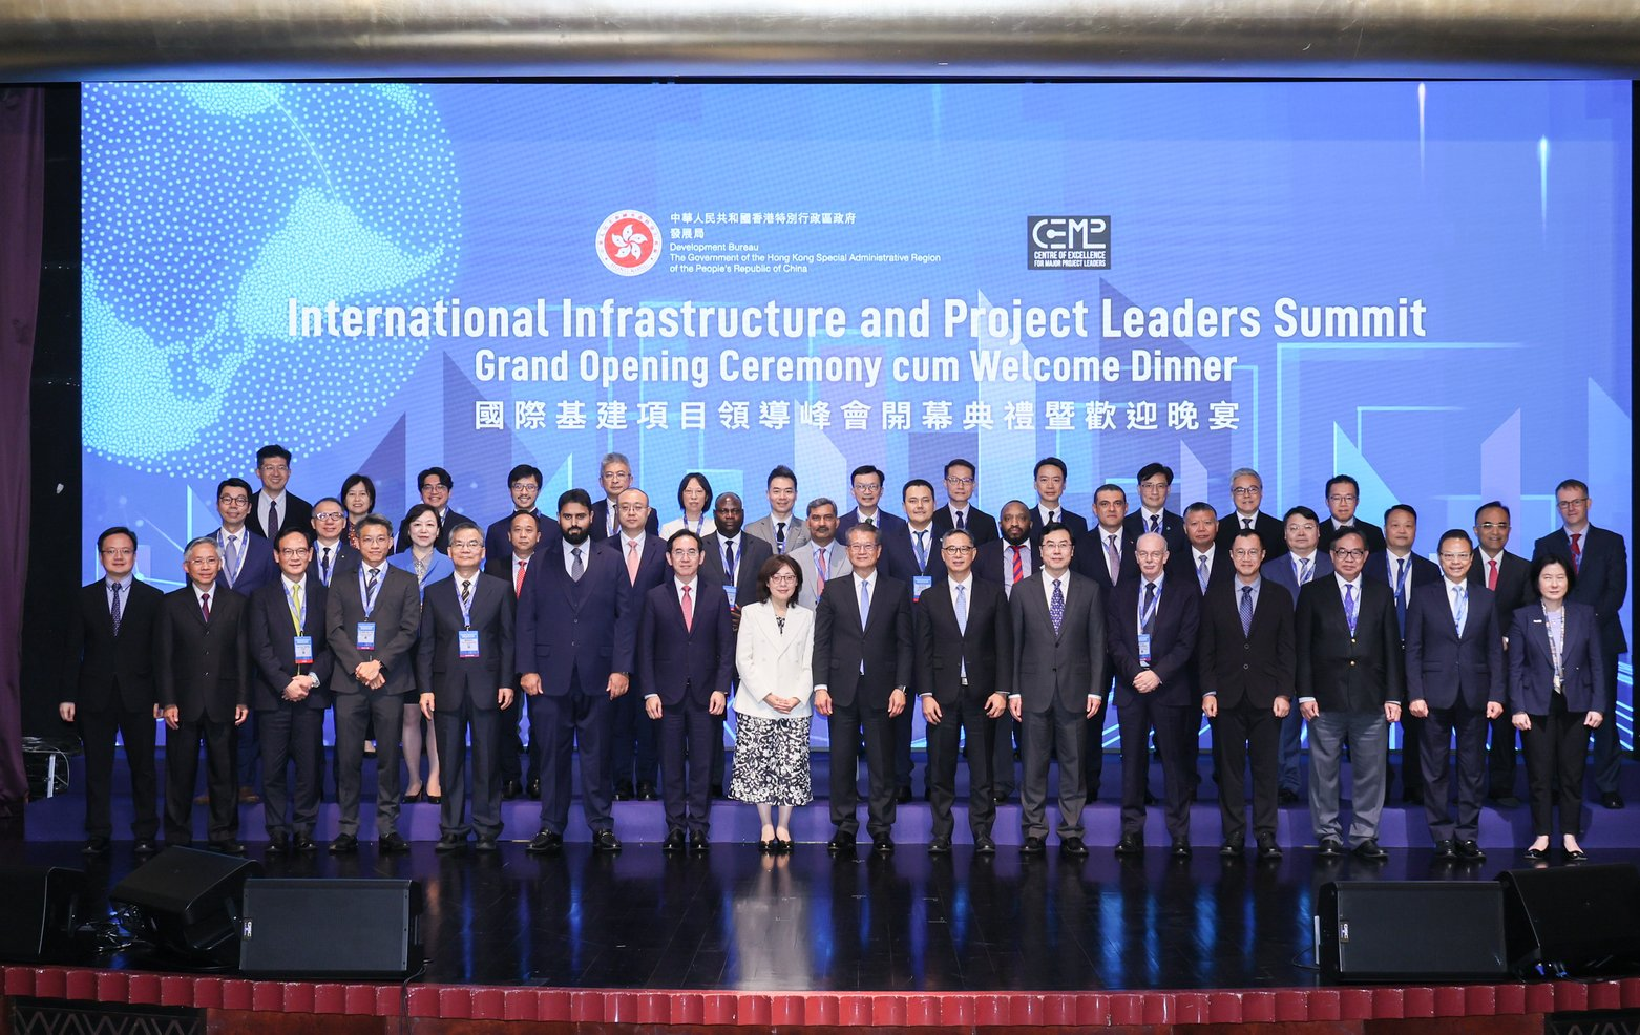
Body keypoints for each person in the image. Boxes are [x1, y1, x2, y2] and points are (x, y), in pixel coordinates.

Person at [518, 489, 638, 854]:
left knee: (598, 756)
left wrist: (621, 669)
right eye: (568, 517)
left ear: (591, 518)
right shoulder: (541, 559)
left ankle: (601, 826)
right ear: (558, 518)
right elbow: (526, 619)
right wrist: (527, 669)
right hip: (548, 677)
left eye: (580, 517)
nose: (574, 523)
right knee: (551, 756)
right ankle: (551, 826)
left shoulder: (612, 559)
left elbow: (625, 619)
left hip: (600, 676)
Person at [1296, 529, 1403, 861]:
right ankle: (1328, 834)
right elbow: (1302, 648)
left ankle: (1364, 835)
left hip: (1371, 697)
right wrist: (1305, 693)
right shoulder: (1312, 592)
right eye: (1342, 552)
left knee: (1371, 772)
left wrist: (1394, 695)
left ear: (1366, 556)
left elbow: (1391, 647)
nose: (1349, 559)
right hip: (1324, 698)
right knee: (1323, 772)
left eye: (1356, 553)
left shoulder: (1382, 593)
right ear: (1331, 555)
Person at [62, 526, 164, 856]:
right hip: (94, 696)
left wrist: (162, 696)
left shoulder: (154, 598)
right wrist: (68, 695)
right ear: (101, 555)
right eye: (111, 551)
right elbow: (72, 650)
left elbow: (160, 652)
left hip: (140, 696)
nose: (118, 557)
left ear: (135, 555)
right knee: (97, 768)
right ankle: (97, 832)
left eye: (125, 551)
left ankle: (145, 833)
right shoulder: (84, 597)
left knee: (143, 769)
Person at [813, 523, 914, 855]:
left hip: (883, 690)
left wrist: (901, 687)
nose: (861, 551)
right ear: (847, 551)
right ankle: (844, 826)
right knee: (842, 761)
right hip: (840, 689)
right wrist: (820, 686)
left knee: (882, 763)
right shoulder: (833, 588)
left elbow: (905, 643)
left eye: (867, 546)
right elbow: (822, 642)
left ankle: (881, 827)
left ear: (878, 551)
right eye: (855, 546)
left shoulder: (897, 589)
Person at [325, 513, 422, 854]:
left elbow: (409, 630)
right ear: (356, 542)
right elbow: (333, 630)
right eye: (368, 539)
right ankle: (347, 828)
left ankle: (388, 827)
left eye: (381, 539)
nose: (375, 545)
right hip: (349, 681)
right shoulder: (339, 581)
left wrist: (378, 664)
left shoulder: (406, 581)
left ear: (391, 541)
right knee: (348, 757)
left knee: (388, 758)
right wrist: (360, 667)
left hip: (389, 680)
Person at [1405, 529, 1504, 862]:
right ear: (1439, 558)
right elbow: (1413, 649)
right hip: (1433, 695)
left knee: (1472, 769)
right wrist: (1415, 693)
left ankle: (1467, 835)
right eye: (1449, 555)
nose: (1456, 561)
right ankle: (1442, 836)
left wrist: (1496, 694)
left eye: (1462, 555)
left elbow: (1494, 650)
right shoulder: (1423, 596)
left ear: (1471, 559)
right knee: (1434, 768)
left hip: (1475, 693)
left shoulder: (1486, 597)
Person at [416, 522, 514, 853]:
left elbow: (508, 640)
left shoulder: (500, 589)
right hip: (446, 687)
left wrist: (506, 682)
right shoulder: (434, 592)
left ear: (483, 552)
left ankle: (487, 827)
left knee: (487, 761)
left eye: (473, 544)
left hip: (489, 686)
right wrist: (425, 688)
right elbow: (427, 644)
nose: (466, 550)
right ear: (449, 551)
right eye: (460, 544)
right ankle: (452, 828)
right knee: (450, 761)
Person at [1009, 522, 1105, 857]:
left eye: (1063, 545)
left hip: (1075, 691)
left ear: (1072, 551)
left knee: (1074, 765)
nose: (1057, 551)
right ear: (1040, 550)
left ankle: (1072, 831)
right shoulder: (1022, 590)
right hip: (1033, 691)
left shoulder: (1089, 589)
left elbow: (1097, 643)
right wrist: (1014, 691)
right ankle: (1034, 830)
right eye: (1051, 545)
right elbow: (1014, 645)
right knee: (1033, 766)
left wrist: (1096, 690)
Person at [1532, 479, 1628, 810]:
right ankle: (1557, 786)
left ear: (1588, 503)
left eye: (1576, 502)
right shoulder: (1545, 543)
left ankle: (1608, 786)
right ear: (1558, 507)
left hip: (1601, 638)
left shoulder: (1611, 541)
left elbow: (1616, 591)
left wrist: (1583, 625)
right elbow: (1539, 589)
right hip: (1555, 642)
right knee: (1560, 716)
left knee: (1604, 713)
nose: (1570, 508)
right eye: (1564, 503)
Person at [1199, 529, 1294, 860]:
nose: (1246, 558)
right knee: (1230, 770)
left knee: (1267, 769)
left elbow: (1287, 650)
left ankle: (1266, 833)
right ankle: (1234, 832)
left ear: (1263, 555)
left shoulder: (1280, 596)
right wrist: (1208, 691)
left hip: (1268, 698)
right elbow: (1206, 650)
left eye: (1253, 552)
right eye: (1240, 552)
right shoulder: (1215, 596)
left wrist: (1284, 693)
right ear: (1231, 556)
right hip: (1225, 696)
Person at [638, 529, 735, 850]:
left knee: (704, 765)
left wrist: (722, 689)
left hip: (707, 696)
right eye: (678, 552)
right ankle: (676, 827)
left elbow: (726, 648)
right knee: (671, 764)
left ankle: (699, 828)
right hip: (667, 697)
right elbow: (645, 650)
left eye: (691, 552)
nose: (685, 558)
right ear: (669, 558)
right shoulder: (655, 597)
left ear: (701, 557)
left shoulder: (716, 596)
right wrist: (650, 692)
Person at [916, 528, 1011, 854]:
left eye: (964, 549)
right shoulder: (930, 597)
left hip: (984, 696)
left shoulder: (993, 594)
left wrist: (1002, 691)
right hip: (941, 697)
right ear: (942, 555)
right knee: (940, 768)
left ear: (974, 554)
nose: (957, 555)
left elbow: (1004, 646)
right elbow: (923, 651)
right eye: (951, 549)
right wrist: (926, 694)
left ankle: (982, 833)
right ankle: (941, 833)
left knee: (982, 769)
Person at [1107, 532, 1200, 857]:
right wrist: (1136, 673)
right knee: (1132, 764)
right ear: (1136, 557)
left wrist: (1157, 675)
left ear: (1166, 557)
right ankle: (1131, 831)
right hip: (1131, 687)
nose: (1149, 559)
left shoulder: (1185, 592)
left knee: (1174, 763)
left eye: (1155, 554)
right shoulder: (1120, 592)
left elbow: (1187, 644)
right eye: (1143, 554)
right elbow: (1114, 641)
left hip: (1170, 688)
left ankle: (1179, 834)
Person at [1509, 554, 1605, 862]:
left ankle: (1569, 836)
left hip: (1577, 704)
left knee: (1572, 774)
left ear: (1569, 581)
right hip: (1535, 705)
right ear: (1537, 581)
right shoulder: (1523, 617)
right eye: (1547, 577)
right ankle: (1542, 835)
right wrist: (1518, 707)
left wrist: (1598, 705)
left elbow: (1596, 663)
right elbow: (1515, 667)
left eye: (1560, 577)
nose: (1554, 583)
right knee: (1539, 774)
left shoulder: (1584, 614)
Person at [157, 537, 249, 852]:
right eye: (198, 561)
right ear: (186, 567)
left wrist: (242, 698)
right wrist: (168, 700)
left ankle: (223, 834)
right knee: (179, 773)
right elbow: (164, 656)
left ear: (219, 565)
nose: (205, 566)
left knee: (224, 772)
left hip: (224, 699)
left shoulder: (237, 602)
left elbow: (242, 654)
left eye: (211, 560)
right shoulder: (170, 603)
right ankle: (176, 837)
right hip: (182, 703)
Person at [247, 528, 332, 854]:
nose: (294, 557)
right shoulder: (261, 597)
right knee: (273, 768)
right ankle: (277, 830)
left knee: (310, 767)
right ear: (276, 556)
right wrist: (285, 683)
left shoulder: (326, 594)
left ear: (310, 555)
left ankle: (304, 828)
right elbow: (260, 646)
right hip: (274, 696)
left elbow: (332, 645)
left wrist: (310, 680)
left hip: (311, 694)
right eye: (287, 551)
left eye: (300, 551)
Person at [730, 554, 816, 853]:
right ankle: (766, 823)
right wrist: (767, 695)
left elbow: (810, 662)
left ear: (797, 583)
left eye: (789, 577)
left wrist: (796, 697)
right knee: (760, 766)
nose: (783, 583)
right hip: (758, 703)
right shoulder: (751, 613)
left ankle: (784, 824)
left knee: (791, 766)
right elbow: (744, 660)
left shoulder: (807, 616)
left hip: (795, 705)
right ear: (767, 582)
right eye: (777, 577)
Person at [1368, 503, 1441, 805]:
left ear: (1415, 530)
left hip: (1417, 660)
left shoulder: (1429, 570)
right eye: (1395, 525)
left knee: (1418, 727)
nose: (1401, 530)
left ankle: (1415, 786)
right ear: (1385, 529)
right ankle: (1379, 789)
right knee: (1374, 730)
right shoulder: (1368, 564)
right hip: (1375, 660)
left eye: (1408, 525)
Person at [880, 478, 945, 801]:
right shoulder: (888, 541)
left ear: (934, 503)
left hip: (941, 639)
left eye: (925, 500)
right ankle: (900, 779)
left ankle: (937, 780)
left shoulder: (950, 539)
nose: (919, 506)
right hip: (900, 638)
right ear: (903, 505)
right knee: (898, 715)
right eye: (913, 501)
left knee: (939, 715)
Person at [210, 477, 274, 806]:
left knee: (248, 718)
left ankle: (245, 783)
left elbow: (272, 598)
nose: (233, 505)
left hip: (253, 646)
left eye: (240, 500)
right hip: (211, 647)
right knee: (214, 718)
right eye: (227, 499)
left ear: (249, 507)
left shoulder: (265, 547)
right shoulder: (203, 546)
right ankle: (217, 785)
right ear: (218, 504)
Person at [1264, 506, 1332, 805]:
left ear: (1319, 532)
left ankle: (1325, 790)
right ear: (1284, 534)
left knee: (1326, 733)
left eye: (1307, 527)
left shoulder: (1335, 564)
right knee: (1285, 731)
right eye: (1293, 528)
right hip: (1282, 663)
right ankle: (1287, 784)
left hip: (1327, 664)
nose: (1301, 533)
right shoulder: (1269, 570)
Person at [387, 503, 453, 803]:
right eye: (417, 524)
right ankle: (414, 778)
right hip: (402, 650)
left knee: (435, 715)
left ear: (438, 531)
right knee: (410, 715)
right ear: (408, 530)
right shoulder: (392, 562)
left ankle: (435, 777)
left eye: (430, 524)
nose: (423, 530)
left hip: (439, 649)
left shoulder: (450, 563)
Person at [1469, 501, 1532, 807]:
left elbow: (1527, 612)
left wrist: (1507, 637)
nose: (1495, 531)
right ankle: (1470, 789)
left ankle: (1503, 788)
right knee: (1471, 730)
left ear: (1509, 529)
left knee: (1504, 729)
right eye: (1488, 525)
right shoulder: (1461, 562)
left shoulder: (1523, 568)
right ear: (1475, 529)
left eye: (1502, 525)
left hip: (1507, 661)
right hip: (1469, 660)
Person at [611, 487, 670, 802]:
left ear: (648, 513)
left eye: (638, 507)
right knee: (617, 722)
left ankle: (647, 782)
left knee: (651, 721)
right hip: (612, 652)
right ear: (617, 512)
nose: (631, 512)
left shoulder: (664, 550)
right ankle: (620, 781)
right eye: (625, 507)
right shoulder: (602, 550)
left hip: (655, 650)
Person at [975, 500, 1036, 802]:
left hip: (1036, 644)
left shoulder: (1044, 553)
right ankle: (1000, 783)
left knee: (1032, 717)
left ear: (1030, 523)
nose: (1014, 523)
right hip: (993, 643)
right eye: (1008, 518)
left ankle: (1033, 786)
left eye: (1020, 518)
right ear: (1000, 523)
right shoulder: (983, 554)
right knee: (998, 716)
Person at [484, 509, 543, 799]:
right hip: (503, 655)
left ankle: (537, 778)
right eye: (517, 530)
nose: (522, 535)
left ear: (538, 536)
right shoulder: (493, 567)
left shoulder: (550, 566)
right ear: (508, 536)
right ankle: (510, 777)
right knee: (504, 720)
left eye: (528, 530)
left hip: (540, 656)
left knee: (541, 722)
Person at [485, 463, 550, 565]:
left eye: (530, 487)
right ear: (510, 490)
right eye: (518, 486)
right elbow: (491, 570)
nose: (524, 492)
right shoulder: (495, 530)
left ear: (538, 491)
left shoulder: (554, 529)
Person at [397, 466, 473, 552]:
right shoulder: (409, 520)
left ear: (450, 493)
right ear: (421, 494)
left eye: (440, 487)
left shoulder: (464, 525)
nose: (434, 492)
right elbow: (401, 555)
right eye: (428, 487)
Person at [1216, 467, 1285, 560]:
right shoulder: (1218, 529)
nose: (1247, 495)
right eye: (1240, 490)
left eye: (1252, 489)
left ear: (1261, 493)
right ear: (1232, 495)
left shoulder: (1279, 528)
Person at [247, 444, 312, 542]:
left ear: (289, 472)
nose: (276, 474)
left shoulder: (304, 509)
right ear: (258, 472)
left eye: (281, 468)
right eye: (269, 468)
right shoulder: (245, 506)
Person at [589, 452, 657, 542]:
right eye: (609, 475)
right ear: (601, 481)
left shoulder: (648, 513)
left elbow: (653, 546)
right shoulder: (591, 512)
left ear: (630, 480)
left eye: (620, 475)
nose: (615, 480)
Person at [932, 458, 998, 548]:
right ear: (945, 483)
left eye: (966, 481)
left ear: (973, 485)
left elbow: (992, 554)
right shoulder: (933, 520)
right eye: (954, 480)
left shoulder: (987, 522)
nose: (960, 486)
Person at [789, 498, 841, 609]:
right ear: (808, 523)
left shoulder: (850, 556)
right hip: (804, 619)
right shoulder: (793, 559)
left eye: (828, 517)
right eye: (816, 518)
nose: (822, 523)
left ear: (837, 522)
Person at [1124, 462, 1187, 554]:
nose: (1154, 492)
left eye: (1160, 486)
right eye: (1148, 486)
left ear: (1168, 490)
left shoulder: (1180, 524)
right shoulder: (1124, 524)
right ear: (1139, 489)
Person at [746, 465, 810, 555]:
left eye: (788, 491)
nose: (782, 497)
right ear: (768, 494)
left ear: (796, 495)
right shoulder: (752, 530)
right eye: (776, 491)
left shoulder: (807, 530)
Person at [1171, 501, 1230, 596]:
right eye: (1194, 524)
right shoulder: (1173, 564)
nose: (1201, 529)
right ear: (1185, 528)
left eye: (1207, 523)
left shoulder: (1232, 560)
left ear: (1217, 526)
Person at [1317, 474, 1386, 554]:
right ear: (1327, 502)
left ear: (1357, 502)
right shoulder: (1316, 533)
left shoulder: (1374, 534)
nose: (1343, 504)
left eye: (1348, 498)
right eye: (1337, 498)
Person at [837, 463, 907, 537]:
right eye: (861, 486)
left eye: (873, 486)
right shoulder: (839, 525)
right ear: (853, 492)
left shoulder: (898, 524)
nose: (867, 492)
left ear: (881, 491)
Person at [1029, 457, 1088, 542]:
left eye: (1056, 480)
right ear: (1035, 484)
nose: (1050, 486)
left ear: (1064, 484)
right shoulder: (1025, 520)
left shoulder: (1078, 523)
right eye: (1044, 480)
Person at [308, 497, 359, 587]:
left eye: (336, 516)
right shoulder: (302, 554)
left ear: (344, 523)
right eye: (322, 516)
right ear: (313, 523)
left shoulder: (357, 557)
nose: (329, 521)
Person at [659, 471, 714, 540]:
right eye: (688, 491)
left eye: (699, 491)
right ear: (682, 495)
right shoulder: (668, 529)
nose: (693, 497)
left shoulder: (715, 528)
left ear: (707, 497)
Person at [340, 473, 376, 539]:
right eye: (352, 494)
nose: (357, 499)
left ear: (371, 500)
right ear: (344, 500)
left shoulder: (381, 528)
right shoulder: (337, 528)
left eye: (362, 493)